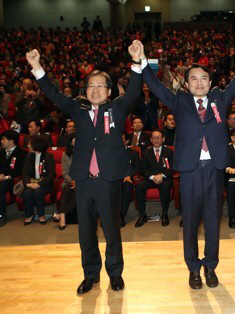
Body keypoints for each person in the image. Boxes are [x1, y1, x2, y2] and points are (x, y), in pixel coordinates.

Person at [138, 36, 235, 290]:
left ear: (210, 83)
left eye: (204, 78)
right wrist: (142, 61)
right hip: (190, 171)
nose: (199, 83)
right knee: (190, 222)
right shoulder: (179, 101)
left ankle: (210, 265)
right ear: (187, 83)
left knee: (213, 221)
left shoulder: (219, 99)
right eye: (194, 78)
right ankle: (193, 268)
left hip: (214, 170)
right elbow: (156, 86)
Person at [26, 41, 143, 294]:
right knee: (86, 231)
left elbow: (134, 93)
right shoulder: (77, 109)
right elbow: (54, 94)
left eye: (101, 85)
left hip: (108, 179)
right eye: (91, 85)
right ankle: (90, 275)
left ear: (109, 92)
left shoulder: (118, 108)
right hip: (84, 180)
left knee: (112, 230)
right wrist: (37, 68)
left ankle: (115, 273)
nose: (95, 89)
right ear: (86, 90)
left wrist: (136, 62)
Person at [135, 130, 173, 228]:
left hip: (164, 178)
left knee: (165, 186)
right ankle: (142, 215)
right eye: (154, 137)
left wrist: (162, 176)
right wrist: (152, 177)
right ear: (151, 140)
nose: (156, 140)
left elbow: (171, 168)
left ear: (163, 139)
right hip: (150, 179)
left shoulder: (169, 152)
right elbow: (143, 169)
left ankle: (165, 214)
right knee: (139, 186)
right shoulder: (146, 152)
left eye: (159, 137)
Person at [22, 135, 55, 225]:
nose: (28, 146)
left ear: (36, 145)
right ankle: (29, 215)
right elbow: (24, 172)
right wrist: (27, 184)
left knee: (38, 192)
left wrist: (39, 184)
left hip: (45, 184)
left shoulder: (49, 156)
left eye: (29, 144)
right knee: (27, 192)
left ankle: (41, 215)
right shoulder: (29, 156)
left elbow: (51, 174)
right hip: (31, 183)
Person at [0, 130, 27, 227]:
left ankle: (1, 215)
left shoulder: (22, 153)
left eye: (3, 139)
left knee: (1, 185)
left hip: (13, 180)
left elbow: (20, 170)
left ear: (11, 141)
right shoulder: (1, 152)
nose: (1, 141)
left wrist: (6, 177)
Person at [57, 134, 77, 230]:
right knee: (66, 189)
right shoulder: (65, 155)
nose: (75, 143)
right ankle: (63, 216)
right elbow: (64, 173)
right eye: (73, 141)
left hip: (81, 182)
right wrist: (72, 181)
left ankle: (61, 214)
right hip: (68, 180)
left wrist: (77, 182)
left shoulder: (85, 153)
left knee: (78, 191)